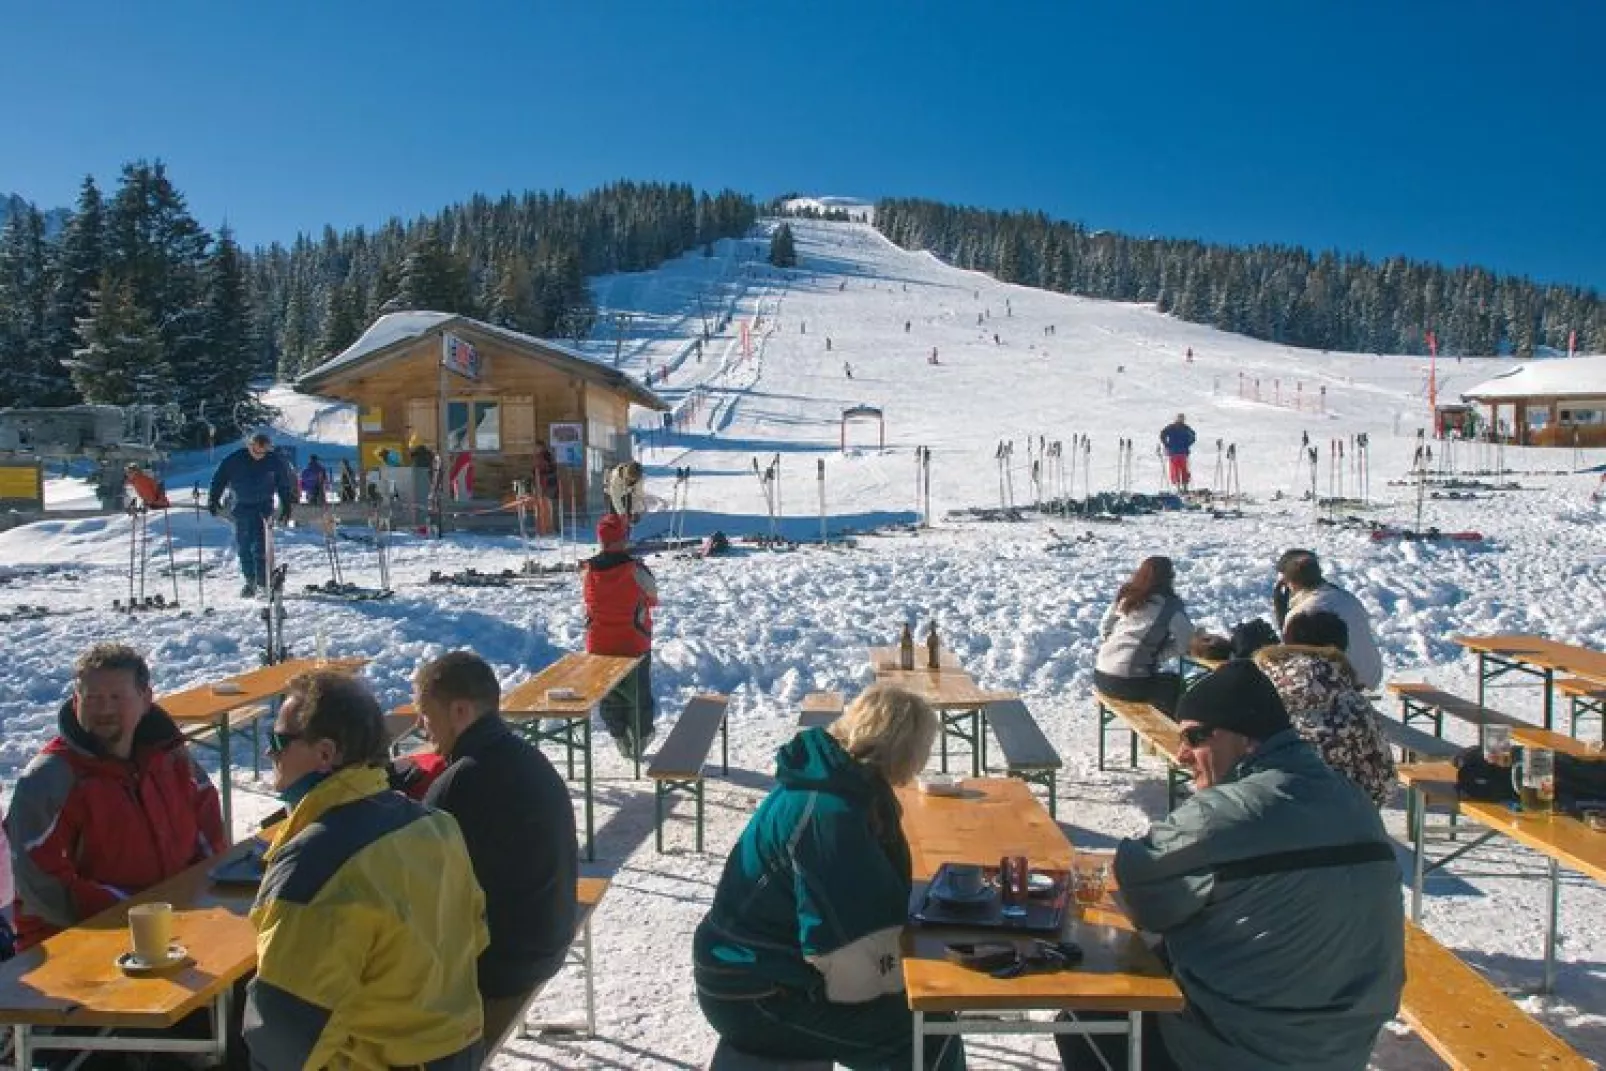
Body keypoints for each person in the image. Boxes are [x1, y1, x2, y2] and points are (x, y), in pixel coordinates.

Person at [1059, 661, 1403, 1071]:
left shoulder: (1222, 814)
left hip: (1238, 1048)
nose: (1182, 754)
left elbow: (1142, 892)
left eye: (1195, 737)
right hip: (1343, 1049)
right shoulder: (1353, 799)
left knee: (1083, 1021)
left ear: (1246, 738)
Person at [694, 684, 965, 1070]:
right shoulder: (829, 812)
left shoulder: (832, 783)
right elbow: (844, 943)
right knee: (923, 1035)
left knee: (927, 1022)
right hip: (755, 993)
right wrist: (901, 981)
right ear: (903, 749)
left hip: (756, 972)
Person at [243, 670, 487, 1070]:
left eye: (279, 741)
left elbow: (287, 1030)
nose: (270, 753)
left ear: (325, 754)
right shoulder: (435, 824)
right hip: (455, 1050)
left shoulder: (317, 864)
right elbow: (475, 936)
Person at [4, 644, 224, 950]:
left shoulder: (170, 757)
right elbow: (44, 885)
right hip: (74, 944)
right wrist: (138, 913)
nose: (104, 710)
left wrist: (201, 895)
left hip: (170, 928)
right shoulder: (50, 778)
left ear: (146, 699)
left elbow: (209, 836)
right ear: (76, 700)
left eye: (116, 698)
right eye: (92, 698)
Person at [411, 652, 578, 1041]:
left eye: (425, 714)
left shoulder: (462, 781)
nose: (422, 727)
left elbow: (414, 888)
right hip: (547, 939)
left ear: (460, 711)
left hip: (505, 966)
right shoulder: (522, 753)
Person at [1253, 611, 1397, 806]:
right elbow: (1384, 782)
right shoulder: (1354, 707)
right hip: (1342, 822)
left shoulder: (1254, 692)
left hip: (1264, 815)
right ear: (1341, 649)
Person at [583, 514, 659, 759]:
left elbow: (589, 602)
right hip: (633, 642)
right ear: (622, 538)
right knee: (639, 693)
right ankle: (641, 735)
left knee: (609, 694)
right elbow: (653, 597)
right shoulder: (635, 569)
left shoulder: (589, 570)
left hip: (599, 645)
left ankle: (619, 735)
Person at [1093, 557, 1193, 714]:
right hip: (1128, 681)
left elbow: (1105, 627)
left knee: (1162, 684)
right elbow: (1186, 643)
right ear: (1169, 577)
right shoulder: (1170, 607)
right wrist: (1157, 655)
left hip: (1101, 675)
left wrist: (1116, 643)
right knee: (1173, 685)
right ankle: (1173, 733)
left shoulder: (1127, 596)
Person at [1273, 549, 1384, 690]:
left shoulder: (1304, 614)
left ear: (1288, 582)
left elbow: (1298, 666)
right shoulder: (1346, 597)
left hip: (1344, 688)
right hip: (1370, 678)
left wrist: (1283, 619)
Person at [207, 431, 295, 597]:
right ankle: (250, 581)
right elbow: (219, 479)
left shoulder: (274, 461)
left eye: (263, 452)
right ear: (250, 446)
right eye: (256, 451)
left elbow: (283, 484)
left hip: (264, 507)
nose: (259, 455)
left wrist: (286, 504)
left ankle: (263, 581)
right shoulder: (234, 460)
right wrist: (213, 499)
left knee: (262, 545)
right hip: (242, 507)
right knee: (245, 545)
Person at [1159, 413, 1196, 493]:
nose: (1181, 420)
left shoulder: (1184, 428)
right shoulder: (1175, 427)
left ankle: (1183, 486)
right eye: (1180, 418)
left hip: (1180, 452)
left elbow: (1193, 436)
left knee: (1182, 469)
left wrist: (1187, 444)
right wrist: (1167, 444)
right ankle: (1179, 486)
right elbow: (1162, 434)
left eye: (1182, 418)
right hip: (1175, 452)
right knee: (1177, 469)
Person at [532, 441, 561, 535]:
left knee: (551, 507)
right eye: (536, 447)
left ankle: (553, 528)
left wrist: (543, 473)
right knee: (542, 507)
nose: (536, 449)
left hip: (549, 485)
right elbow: (535, 470)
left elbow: (552, 470)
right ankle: (544, 528)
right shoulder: (537, 457)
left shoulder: (547, 456)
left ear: (542, 447)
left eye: (538, 447)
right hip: (541, 485)